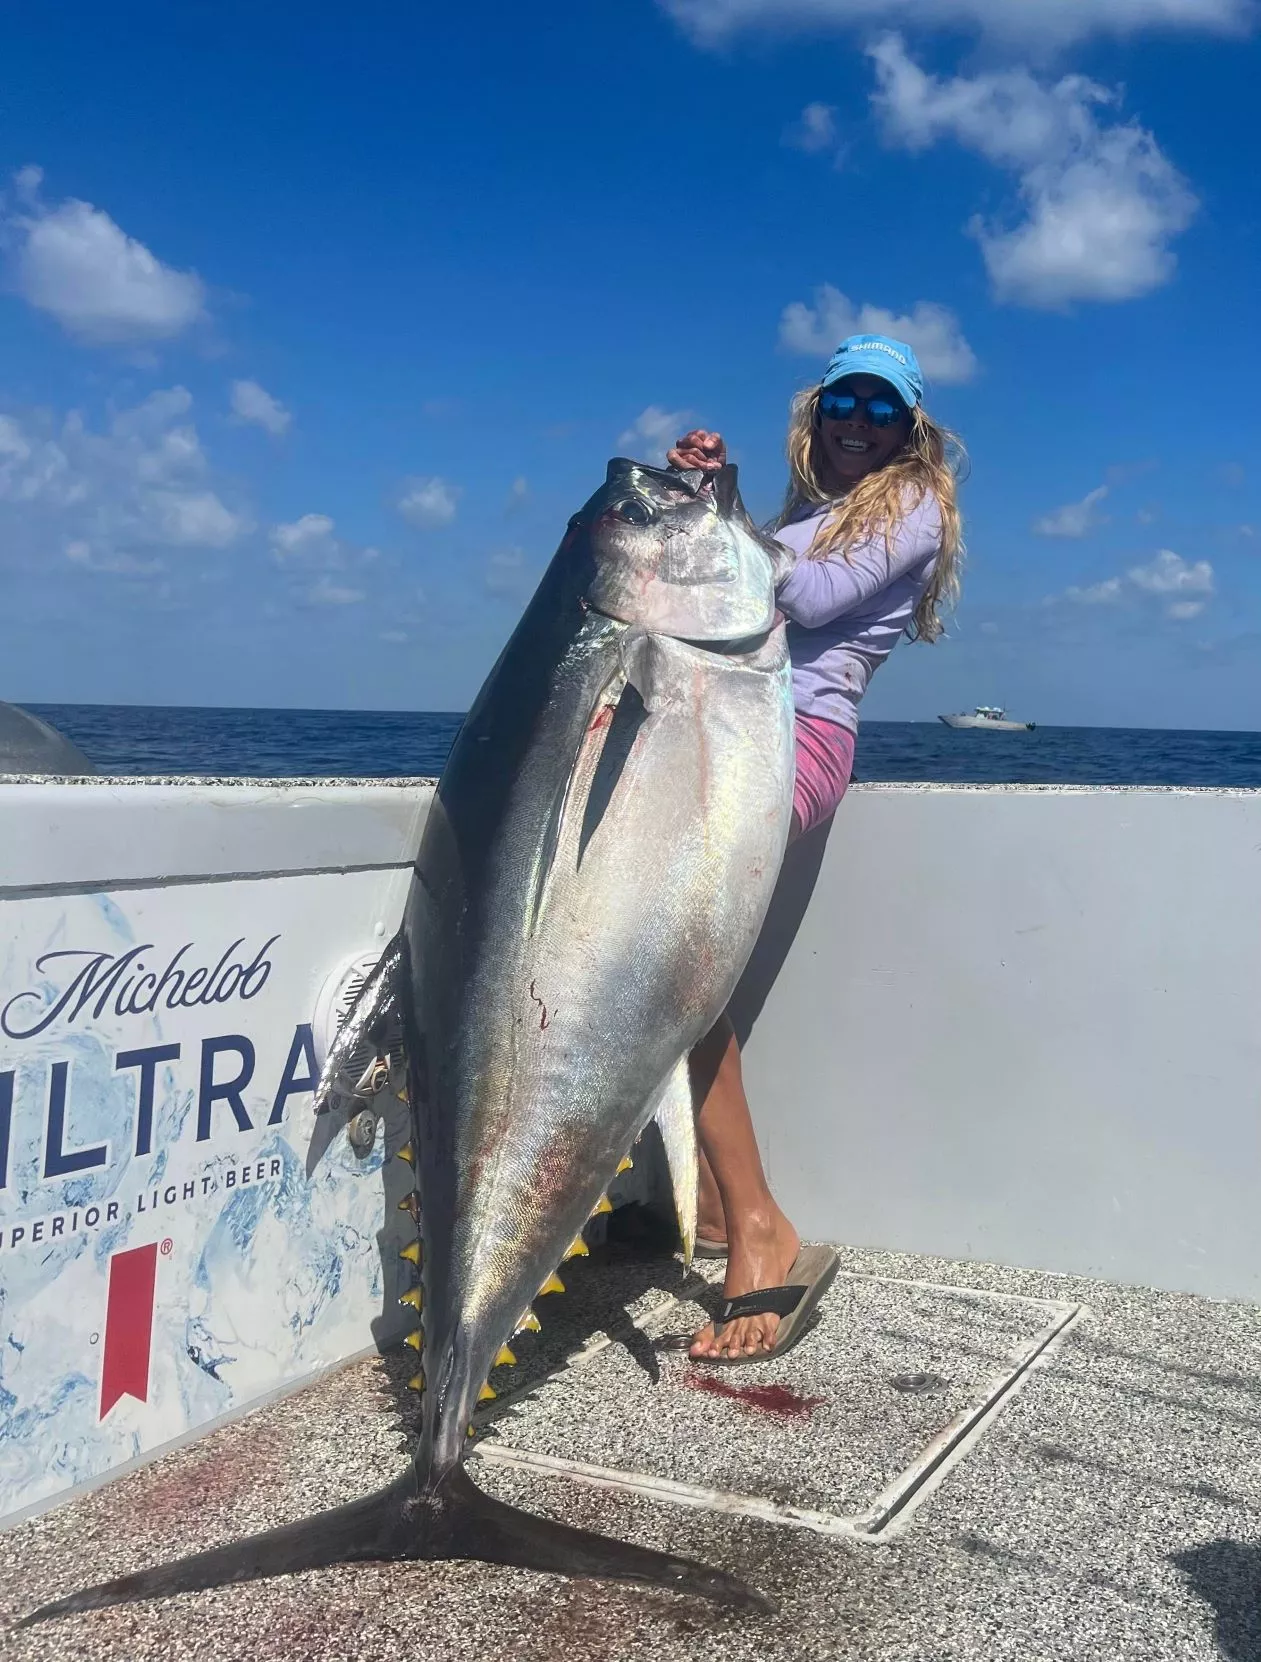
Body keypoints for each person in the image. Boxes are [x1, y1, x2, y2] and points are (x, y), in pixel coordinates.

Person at [667, 332, 965, 1363]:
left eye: (883, 411)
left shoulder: (914, 509)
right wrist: (721, 497)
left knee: (681, 976)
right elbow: (745, 578)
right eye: (845, 403)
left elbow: (789, 599)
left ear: (910, 429)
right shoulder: (806, 519)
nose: (858, 425)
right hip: (734, 737)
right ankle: (715, 1204)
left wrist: (717, 515)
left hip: (796, 747)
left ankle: (759, 1225)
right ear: (818, 410)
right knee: (684, 971)